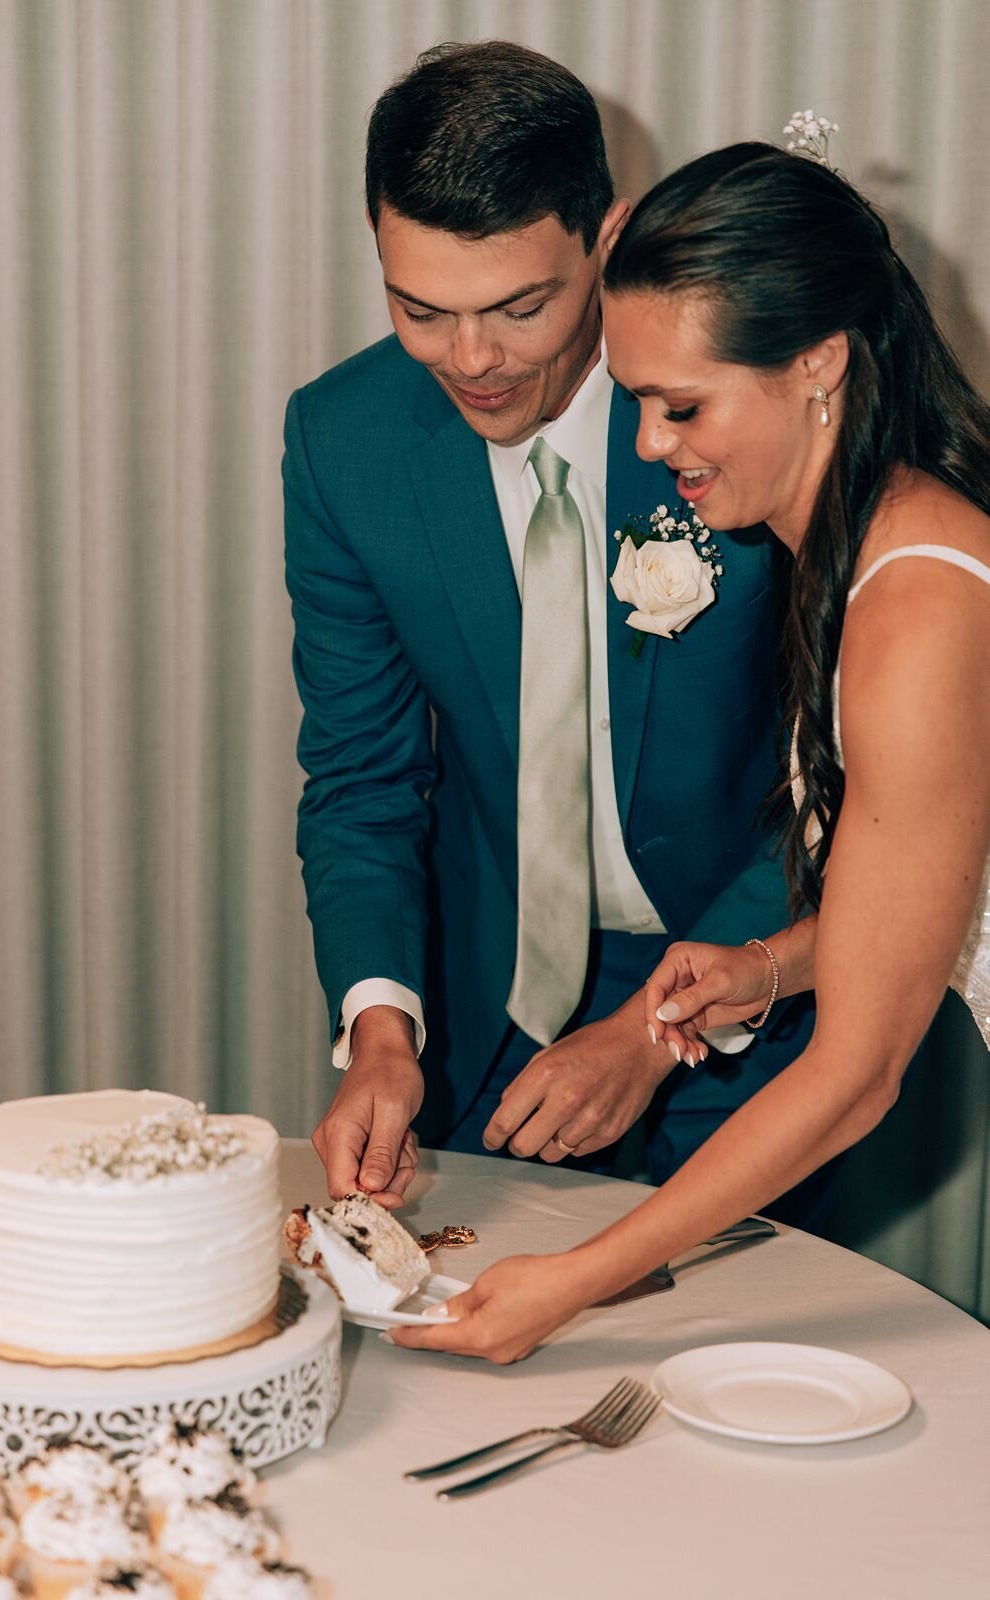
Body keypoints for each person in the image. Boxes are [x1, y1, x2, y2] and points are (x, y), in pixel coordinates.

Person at [391, 137, 990, 1364]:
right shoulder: (871, 542)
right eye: (637, 399)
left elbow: (859, 1071)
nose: (650, 445)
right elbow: (921, 895)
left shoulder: (921, 597)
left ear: (816, 362)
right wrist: (764, 964)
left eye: (681, 405)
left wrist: (573, 1279)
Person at [284, 44, 820, 1222]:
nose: (469, 362)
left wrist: (655, 1030)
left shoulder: (739, 415)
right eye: (418, 310)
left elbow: (845, 784)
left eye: (518, 307)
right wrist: (379, 1024)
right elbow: (362, 778)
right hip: (487, 1007)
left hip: (758, 991)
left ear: (607, 238)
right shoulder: (345, 441)